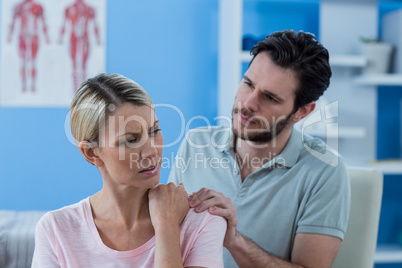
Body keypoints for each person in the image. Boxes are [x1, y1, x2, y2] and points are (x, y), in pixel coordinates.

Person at [169, 30, 351, 268]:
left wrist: (234, 240)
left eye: (270, 98)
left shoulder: (325, 171)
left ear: (302, 111)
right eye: (248, 83)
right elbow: (168, 238)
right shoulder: (196, 143)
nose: (247, 104)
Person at [32, 73, 226, 267]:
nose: (151, 151)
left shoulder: (202, 221)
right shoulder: (55, 231)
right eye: (131, 140)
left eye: (154, 131)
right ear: (92, 153)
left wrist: (167, 225)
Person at [7, 0, 50, 92]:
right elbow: (13, 22)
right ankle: (24, 86)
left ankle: (32, 86)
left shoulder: (37, 7)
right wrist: (9, 36)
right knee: (23, 62)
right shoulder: (19, 7)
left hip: (33, 37)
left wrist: (46, 36)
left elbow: (43, 22)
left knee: (32, 62)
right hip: (23, 36)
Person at [59, 0, 101, 92]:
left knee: (83, 65)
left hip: (84, 38)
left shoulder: (89, 9)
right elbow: (64, 24)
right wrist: (60, 37)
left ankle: (83, 89)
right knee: (74, 64)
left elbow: (94, 24)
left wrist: (98, 38)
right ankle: (76, 90)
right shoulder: (69, 8)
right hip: (73, 38)